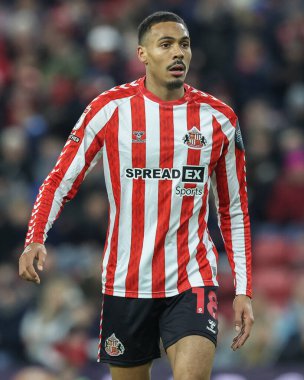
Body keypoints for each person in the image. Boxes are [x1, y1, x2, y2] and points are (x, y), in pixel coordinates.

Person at [19, 11, 254, 380]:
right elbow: (59, 181)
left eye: (184, 44)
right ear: (142, 54)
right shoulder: (109, 110)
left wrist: (243, 290)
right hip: (126, 281)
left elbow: (234, 211)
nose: (178, 53)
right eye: (166, 45)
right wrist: (35, 238)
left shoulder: (218, 119)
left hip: (193, 277)